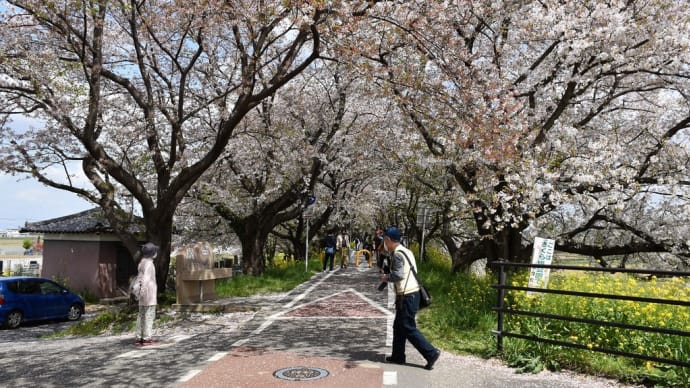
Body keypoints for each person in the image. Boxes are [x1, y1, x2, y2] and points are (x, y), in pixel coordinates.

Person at [380, 226, 440, 370]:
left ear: (388, 239)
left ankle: (431, 353)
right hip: (411, 293)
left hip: (407, 295)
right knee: (399, 326)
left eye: (385, 240)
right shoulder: (406, 251)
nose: (384, 243)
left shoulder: (397, 254)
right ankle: (398, 356)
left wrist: (386, 277)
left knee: (407, 326)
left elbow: (399, 275)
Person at [134, 242, 158, 346]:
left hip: (141, 294)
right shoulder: (149, 264)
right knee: (149, 315)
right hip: (149, 294)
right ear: (152, 253)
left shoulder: (141, 263)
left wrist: (139, 293)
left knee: (141, 316)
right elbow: (146, 279)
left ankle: (139, 337)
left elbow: (139, 278)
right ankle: (147, 338)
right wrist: (143, 291)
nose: (156, 253)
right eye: (155, 251)